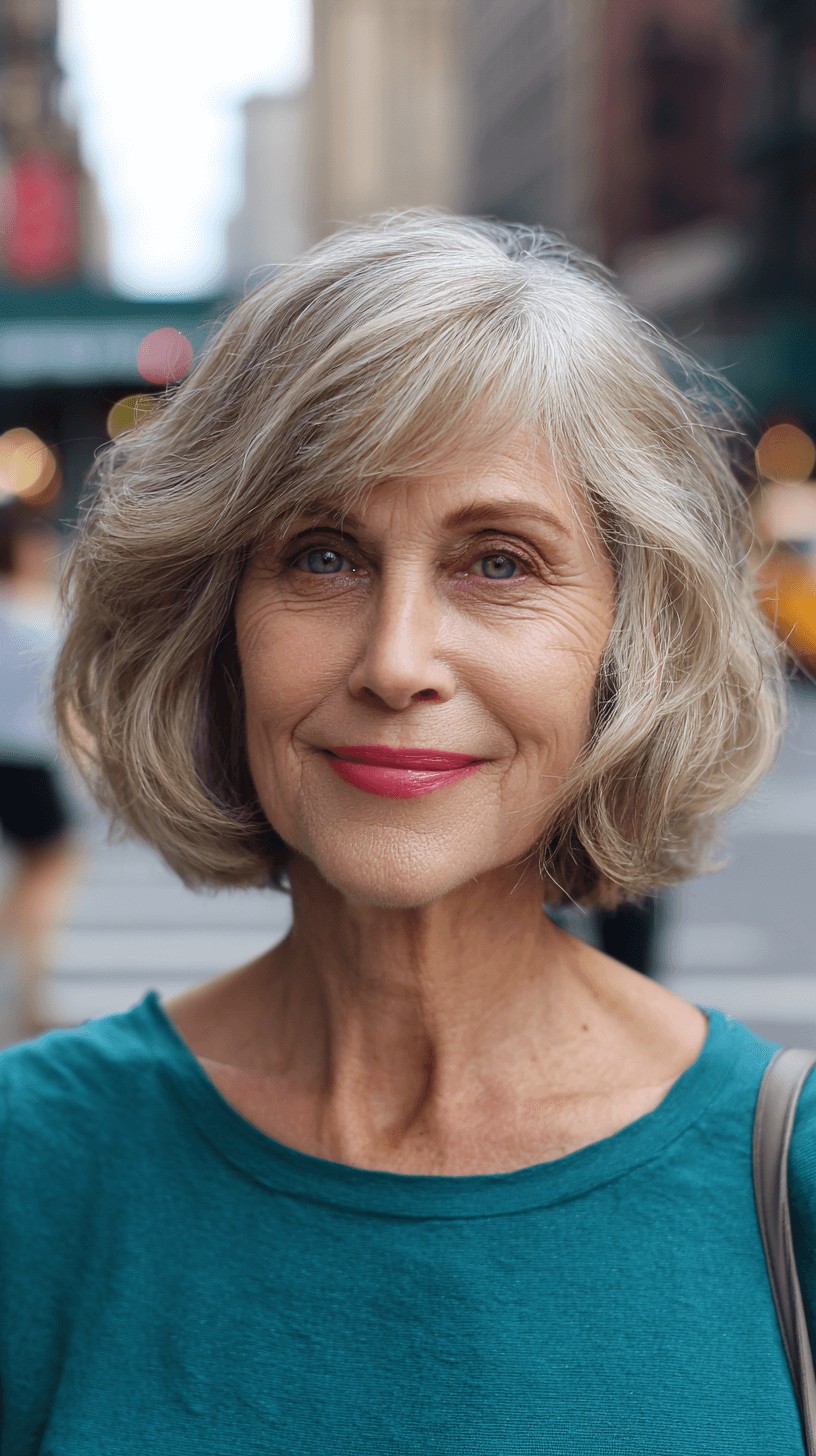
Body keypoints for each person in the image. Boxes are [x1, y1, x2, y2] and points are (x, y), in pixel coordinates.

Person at [0, 212, 809, 1452]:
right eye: (322, 556)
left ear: (628, 641)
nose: (396, 660)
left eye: (499, 562)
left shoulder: (790, 1182)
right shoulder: (31, 1165)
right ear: (215, 626)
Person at [0, 503, 83, 1039]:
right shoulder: (37, 612)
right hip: (29, 759)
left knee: (36, 870)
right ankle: (30, 997)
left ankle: (29, 995)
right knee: (51, 869)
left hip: (10, 756)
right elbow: (68, 694)